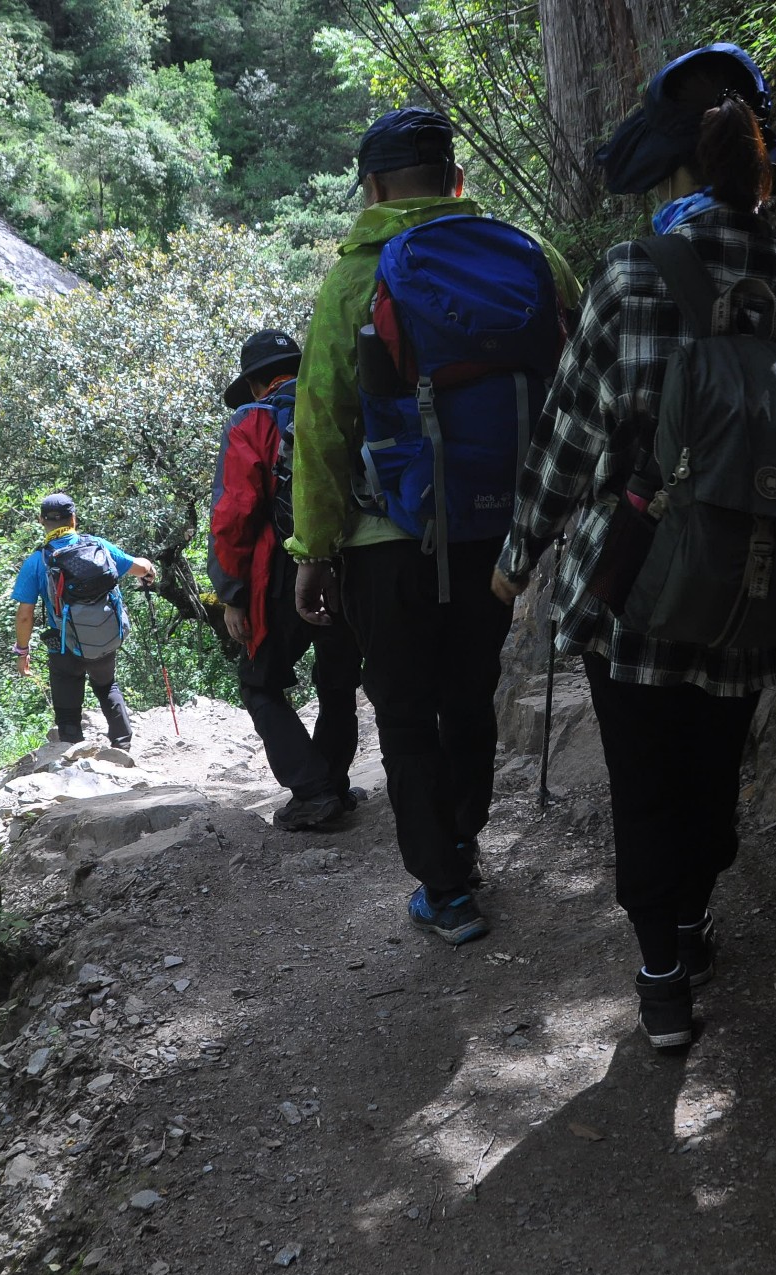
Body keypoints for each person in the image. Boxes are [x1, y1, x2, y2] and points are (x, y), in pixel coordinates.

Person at [493, 45, 776, 1047]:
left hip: (634, 580)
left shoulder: (631, 275)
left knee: (644, 776)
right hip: (757, 587)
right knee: (709, 767)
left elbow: (568, 434)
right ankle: (693, 918)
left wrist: (518, 552)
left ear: (676, 174)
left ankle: (661, 976)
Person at [290, 107, 581, 945]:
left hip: (390, 542)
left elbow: (322, 425)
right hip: (497, 529)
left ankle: (444, 888)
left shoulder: (355, 277)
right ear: (457, 179)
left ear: (373, 187)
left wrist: (314, 550)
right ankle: (463, 840)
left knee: (408, 711)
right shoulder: (531, 257)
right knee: (469, 693)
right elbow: (580, 375)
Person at [209, 329, 366, 830]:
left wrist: (232, 595)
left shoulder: (251, 420)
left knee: (259, 684)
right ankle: (333, 785)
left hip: (280, 571)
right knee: (338, 680)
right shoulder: (338, 401)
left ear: (256, 382)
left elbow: (234, 514)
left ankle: (315, 790)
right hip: (352, 561)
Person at [12, 493, 156, 749]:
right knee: (107, 685)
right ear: (74, 519)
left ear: (41, 520)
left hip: (63, 644)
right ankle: (122, 747)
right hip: (103, 637)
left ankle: (71, 750)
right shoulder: (98, 547)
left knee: (67, 692)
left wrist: (22, 651)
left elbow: (25, 615)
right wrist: (149, 568)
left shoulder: (36, 561)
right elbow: (140, 568)